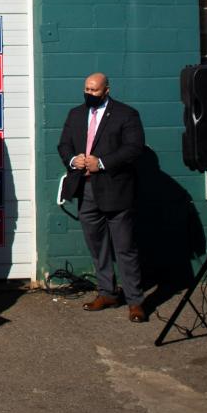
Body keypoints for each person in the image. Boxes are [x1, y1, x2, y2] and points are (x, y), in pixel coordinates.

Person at [57, 72, 147, 322]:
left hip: (116, 190)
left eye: (94, 90)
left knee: (125, 248)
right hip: (85, 190)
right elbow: (63, 145)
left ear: (106, 90)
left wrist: (103, 163)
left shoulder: (126, 114)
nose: (89, 93)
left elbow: (134, 147)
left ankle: (135, 301)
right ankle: (107, 292)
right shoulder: (75, 114)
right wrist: (74, 160)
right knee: (98, 247)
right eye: (86, 89)